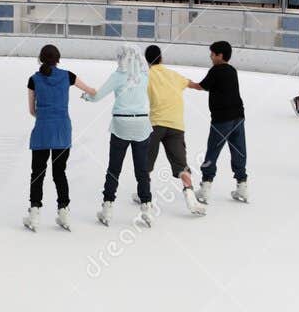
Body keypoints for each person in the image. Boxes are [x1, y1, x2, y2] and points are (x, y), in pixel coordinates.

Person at [82, 45, 155, 227]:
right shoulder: (145, 76)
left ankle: (107, 208)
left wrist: (86, 96)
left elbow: (97, 95)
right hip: (141, 124)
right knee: (142, 170)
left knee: (114, 168)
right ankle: (146, 207)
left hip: (121, 124)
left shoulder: (117, 76)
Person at [26, 44, 93, 232]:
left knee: (38, 173)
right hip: (63, 131)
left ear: (41, 58)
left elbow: (32, 111)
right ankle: (63, 210)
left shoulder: (33, 80)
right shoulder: (68, 76)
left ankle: (34, 212)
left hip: (42, 131)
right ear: (58, 59)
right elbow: (90, 90)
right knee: (59, 172)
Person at [142, 45, 205, 216]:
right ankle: (191, 197)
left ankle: (144, 193)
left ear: (147, 60)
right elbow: (196, 86)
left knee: (146, 163)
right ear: (161, 57)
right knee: (181, 165)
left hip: (155, 124)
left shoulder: (146, 75)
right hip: (176, 124)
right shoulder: (174, 75)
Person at [194, 40, 248, 204]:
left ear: (220, 55)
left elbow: (202, 86)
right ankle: (242, 185)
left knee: (212, 151)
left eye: (212, 53)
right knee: (238, 150)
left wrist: (186, 83)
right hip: (238, 117)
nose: (210, 56)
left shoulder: (216, 70)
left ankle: (205, 186)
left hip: (222, 120)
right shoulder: (232, 71)